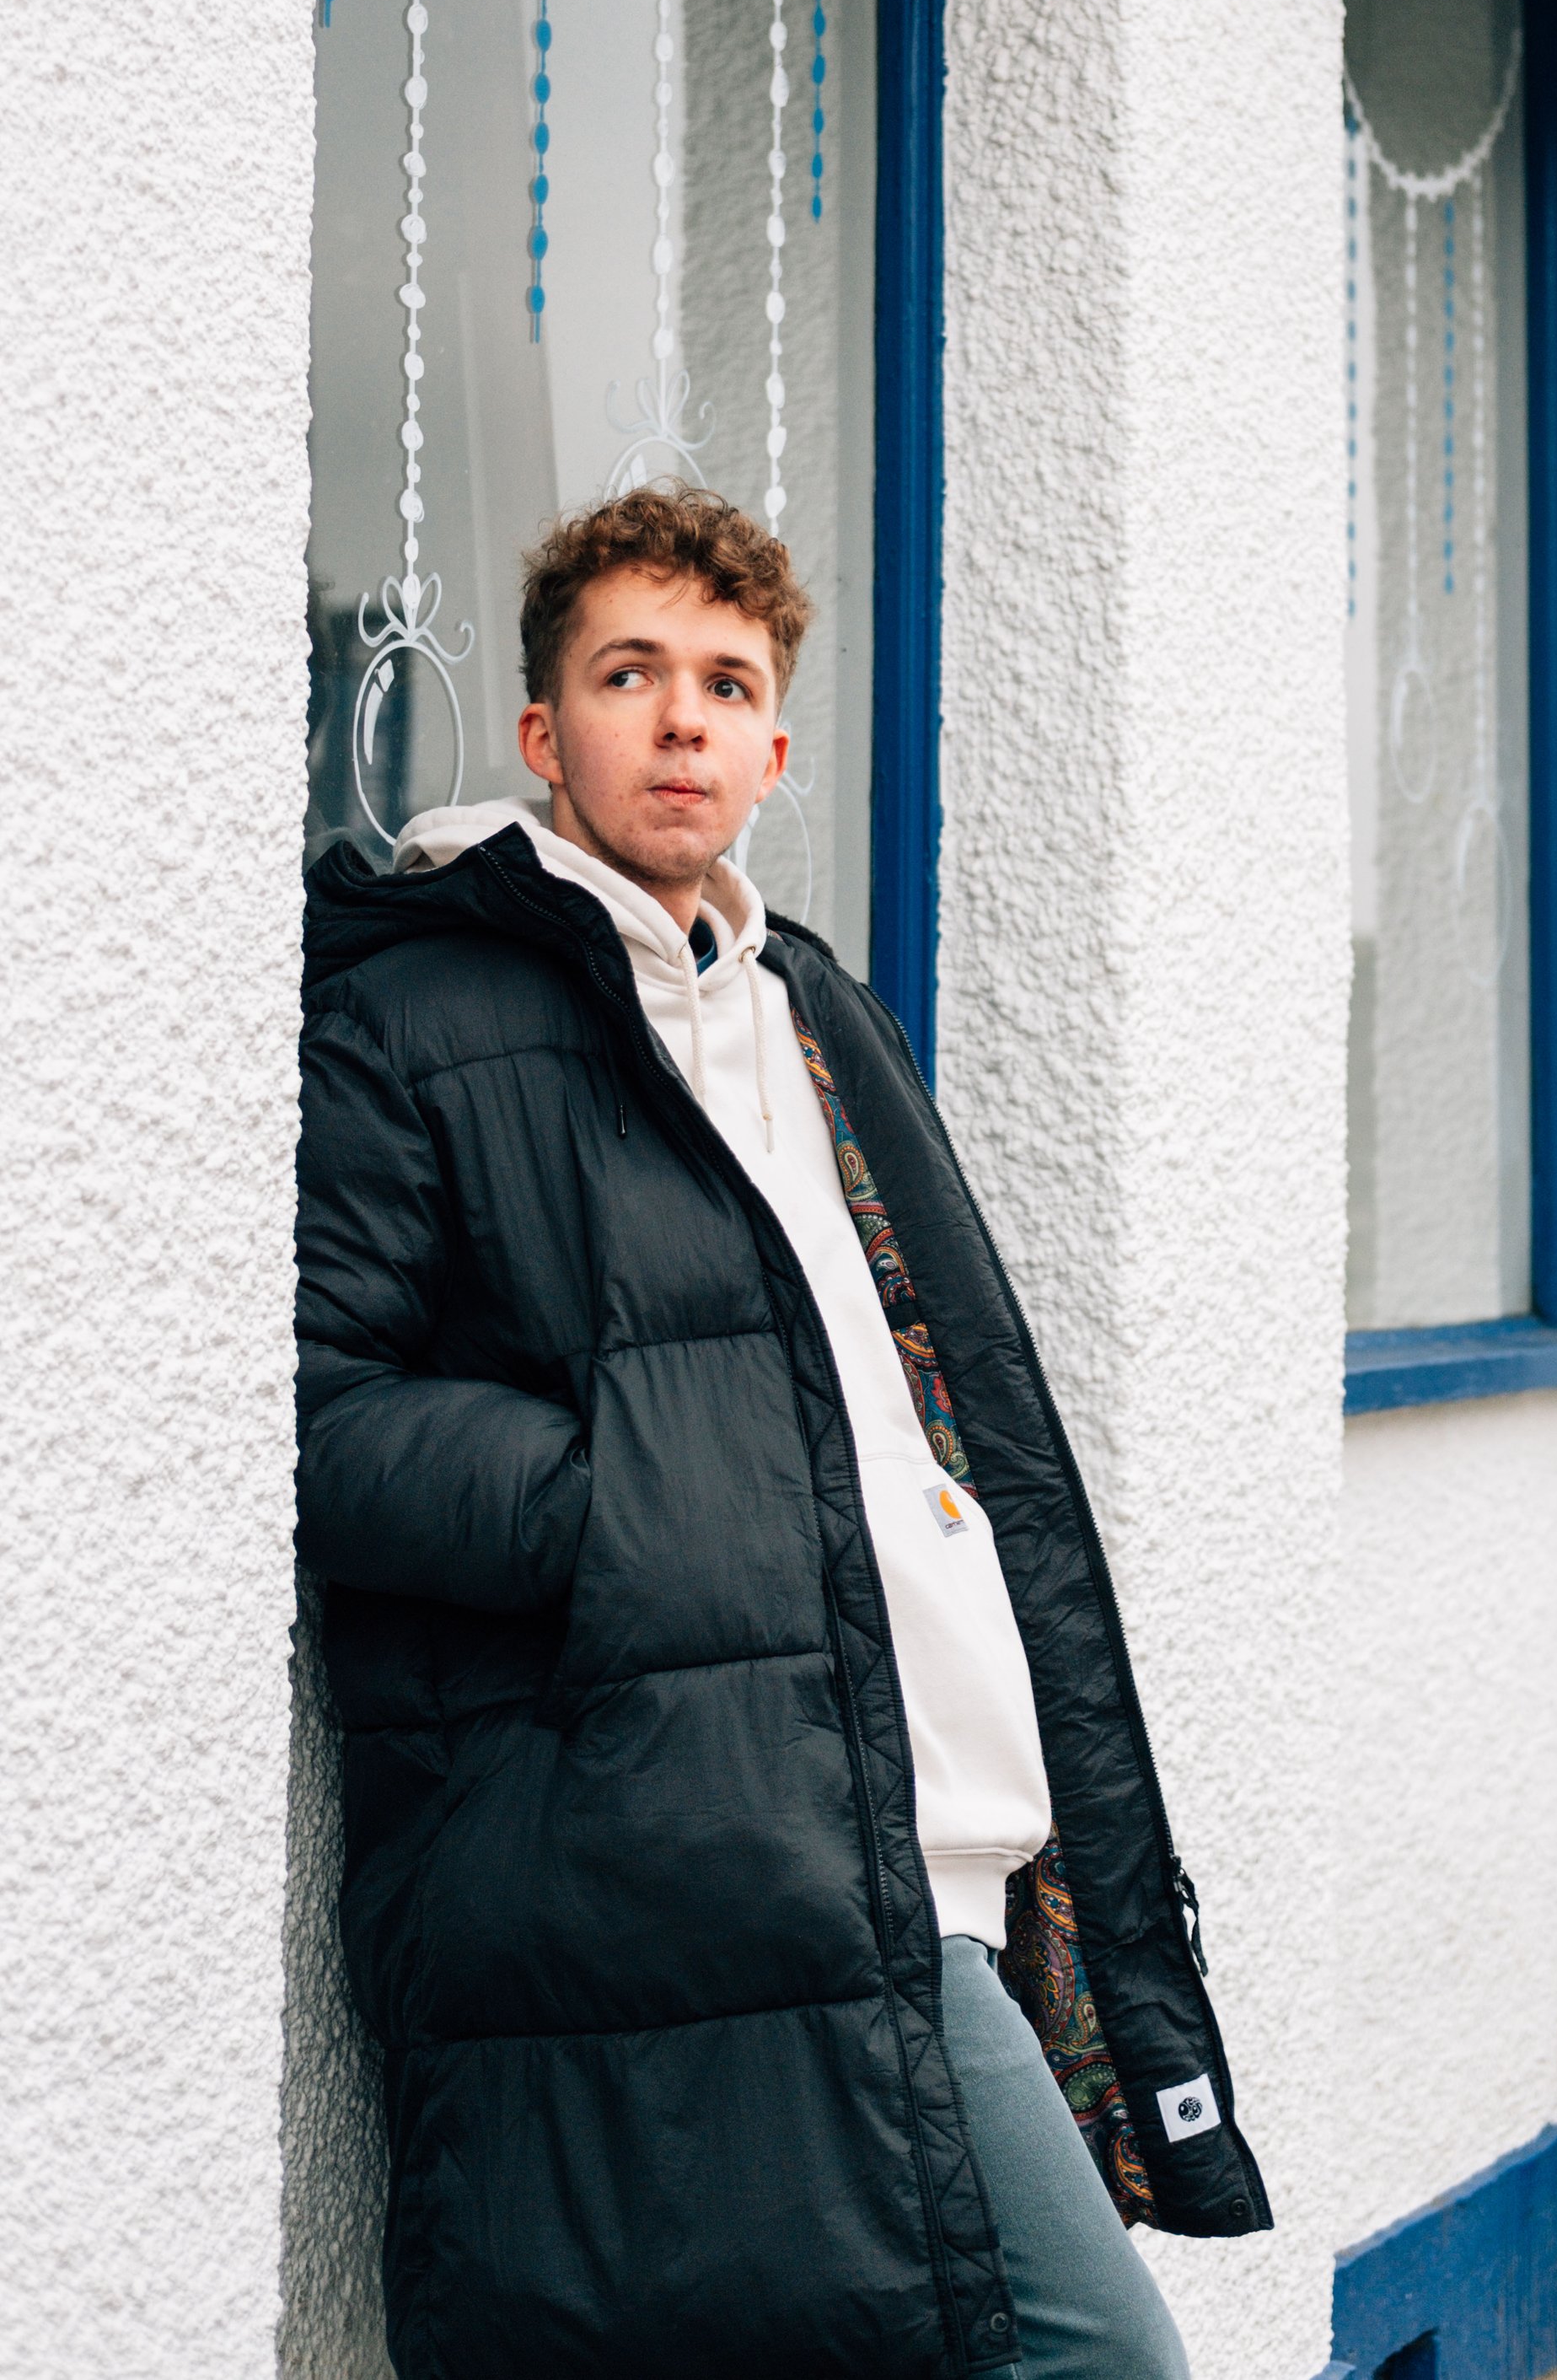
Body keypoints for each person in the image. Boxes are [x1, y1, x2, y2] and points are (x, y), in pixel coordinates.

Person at [295, 485, 1267, 2380]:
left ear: (774, 746)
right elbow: (322, 1417)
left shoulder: (810, 1010)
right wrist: (634, 1519)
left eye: (723, 683)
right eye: (626, 672)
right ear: (539, 734)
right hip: (714, 1834)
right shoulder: (417, 1017)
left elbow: (942, 1403)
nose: (677, 719)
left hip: (942, 1833)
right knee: (1092, 2357)